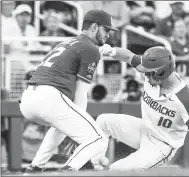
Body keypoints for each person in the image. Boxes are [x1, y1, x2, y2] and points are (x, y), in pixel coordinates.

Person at [19, 9, 118, 173]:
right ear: (94, 27)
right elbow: (80, 94)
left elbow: (82, 51)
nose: (108, 34)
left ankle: (35, 167)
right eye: (106, 29)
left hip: (28, 98)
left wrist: (75, 129)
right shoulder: (90, 49)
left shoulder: (67, 42)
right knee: (99, 139)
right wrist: (77, 132)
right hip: (48, 97)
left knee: (59, 127)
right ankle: (69, 169)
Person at [95, 45, 189, 171]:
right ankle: (96, 166)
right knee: (102, 121)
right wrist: (112, 51)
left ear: (162, 72)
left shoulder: (185, 98)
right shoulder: (152, 71)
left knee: (117, 169)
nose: (145, 75)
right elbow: (129, 56)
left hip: (161, 145)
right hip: (145, 129)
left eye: (148, 73)